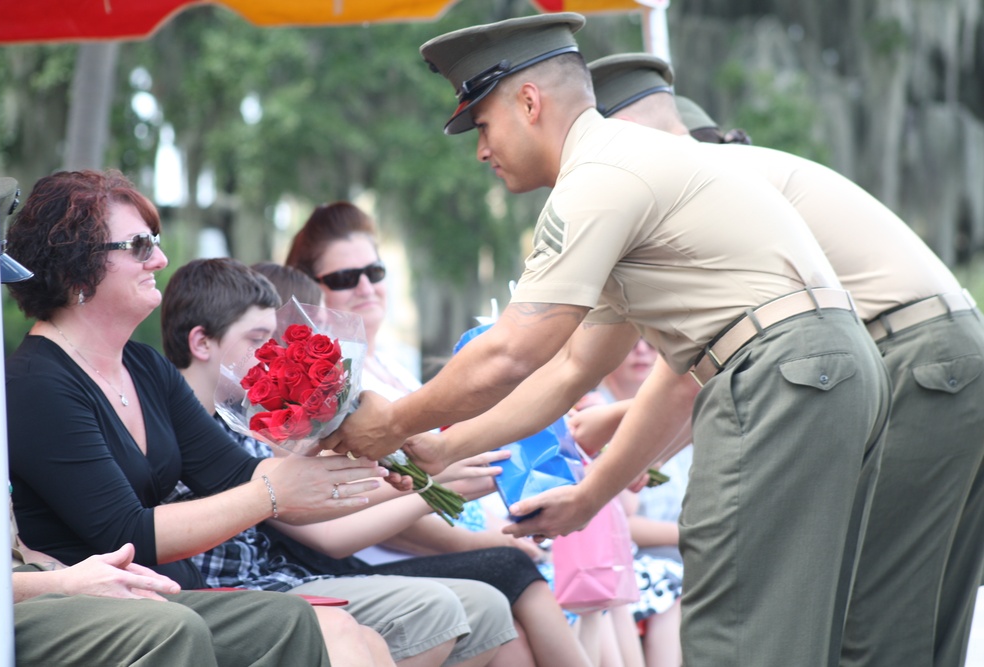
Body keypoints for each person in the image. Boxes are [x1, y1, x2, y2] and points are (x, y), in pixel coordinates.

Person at [321, 13, 892, 667]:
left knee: (736, 630)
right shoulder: (637, 168)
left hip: (782, 373)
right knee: (793, 628)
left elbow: (514, 349)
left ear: (529, 102)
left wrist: (392, 423)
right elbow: (567, 374)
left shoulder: (596, 177)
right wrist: (443, 447)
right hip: (828, 368)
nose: (481, 150)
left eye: (482, 125)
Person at [589, 51, 984, 667]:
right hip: (946, 357)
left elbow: (704, 370)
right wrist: (628, 439)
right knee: (923, 624)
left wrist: (606, 474)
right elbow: (723, 369)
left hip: (911, 364)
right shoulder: (746, 174)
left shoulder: (700, 186)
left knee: (866, 625)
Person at [3, 169, 395, 667]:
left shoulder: (144, 366)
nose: (161, 259)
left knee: (339, 629)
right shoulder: (36, 384)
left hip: (168, 597)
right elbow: (128, 533)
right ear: (79, 268)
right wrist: (271, 496)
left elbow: (238, 472)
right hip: (102, 611)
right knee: (330, 631)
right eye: (141, 246)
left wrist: (378, 457)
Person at [162, 255, 517, 667]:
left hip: (273, 577)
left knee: (485, 606)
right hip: (230, 592)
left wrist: (399, 468)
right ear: (201, 342)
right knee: (444, 605)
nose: (270, 355)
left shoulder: (241, 421)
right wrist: (427, 487)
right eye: (258, 340)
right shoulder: (187, 422)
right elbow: (318, 522)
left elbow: (311, 499)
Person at [282, 203, 593, 667]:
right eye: (345, 278)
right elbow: (385, 504)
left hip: (452, 529)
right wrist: (486, 537)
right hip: (377, 554)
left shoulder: (396, 364)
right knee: (512, 574)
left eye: (374, 270)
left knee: (585, 575)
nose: (366, 287)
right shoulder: (330, 383)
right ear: (313, 292)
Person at [570, 339, 684, 667]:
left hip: (663, 546)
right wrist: (696, 534)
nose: (642, 352)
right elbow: (619, 518)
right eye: (631, 343)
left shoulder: (679, 413)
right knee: (677, 575)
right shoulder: (589, 412)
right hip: (631, 551)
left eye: (653, 343)